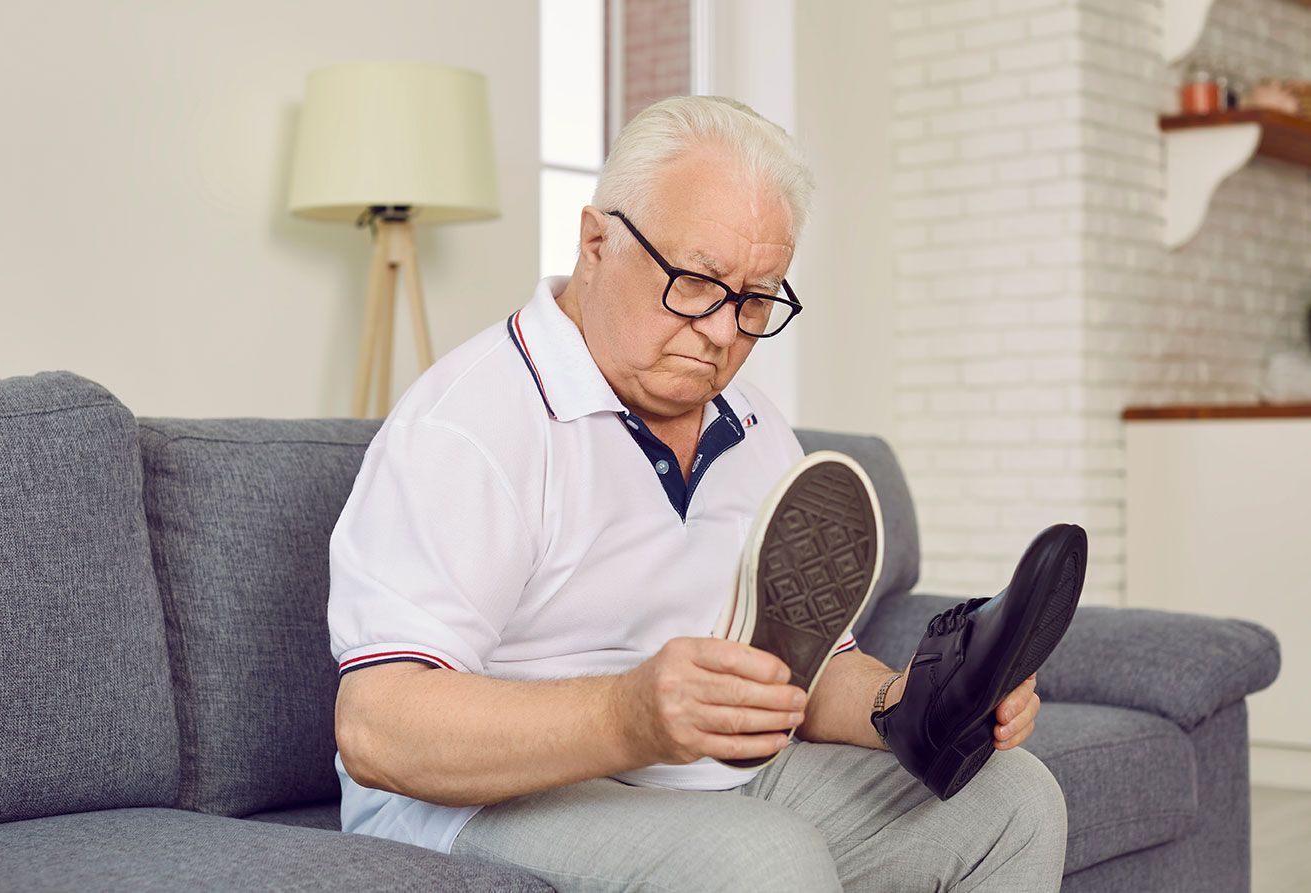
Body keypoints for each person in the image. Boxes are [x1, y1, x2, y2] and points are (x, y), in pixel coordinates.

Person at [327, 94, 1067, 891]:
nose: (722, 331)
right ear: (595, 242)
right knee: (756, 858)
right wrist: (630, 715)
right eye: (696, 281)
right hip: (483, 802)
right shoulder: (473, 422)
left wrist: (917, 702)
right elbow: (378, 725)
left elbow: (803, 676)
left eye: (756, 299)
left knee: (1014, 801)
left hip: (705, 779)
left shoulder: (753, 427)